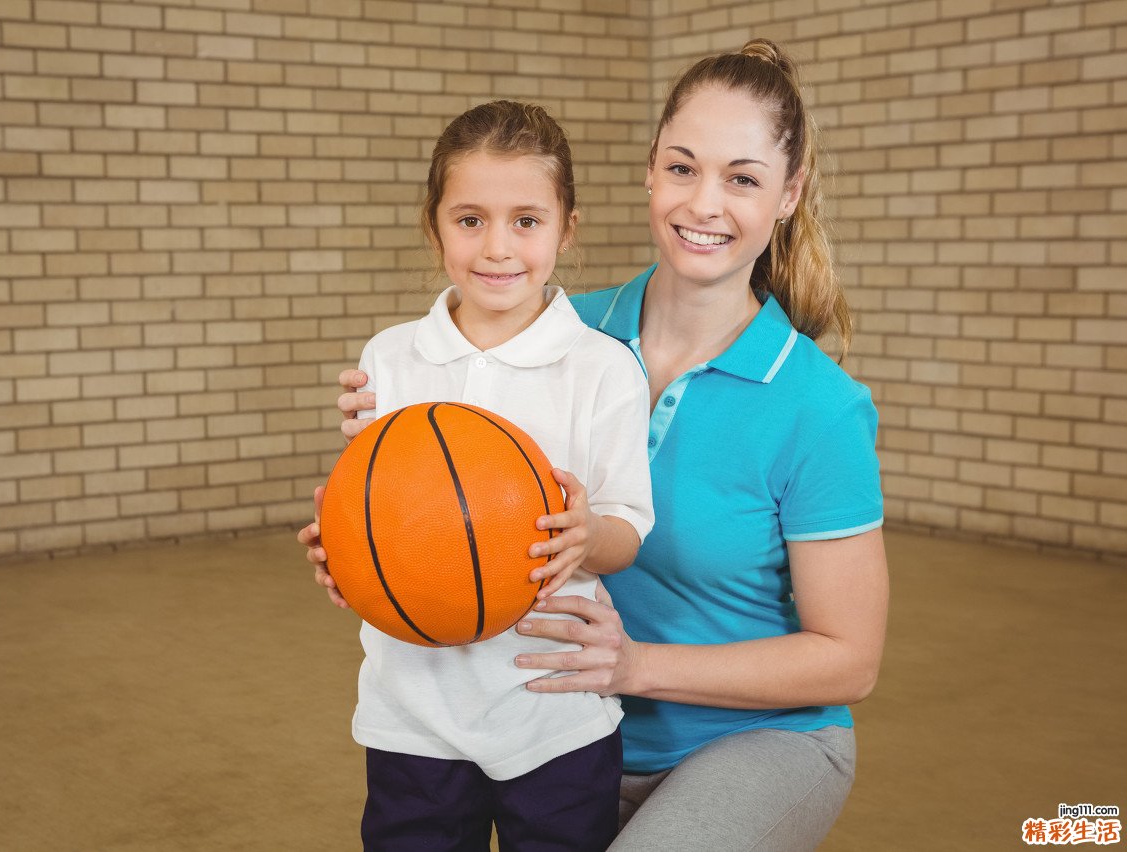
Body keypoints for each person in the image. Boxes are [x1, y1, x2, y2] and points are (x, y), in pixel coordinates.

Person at [304, 39, 889, 850]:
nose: (704, 204)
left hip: (741, 736)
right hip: (556, 719)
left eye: (743, 178)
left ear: (789, 194)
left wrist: (636, 666)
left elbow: (850, 662)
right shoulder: (557, 329)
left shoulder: (819, 406)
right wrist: (373, 498)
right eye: (683, 168)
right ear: (650, 172)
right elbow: (432, 477)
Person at [302, 99, 655, 851]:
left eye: (526, 220)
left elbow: (626, 534)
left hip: (554, 708)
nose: (498, 247)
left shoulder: (603, 369)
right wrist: (344, 550)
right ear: (434, 226)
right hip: (413, 712)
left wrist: (586, 535)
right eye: (470, 220)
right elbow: (376, 515)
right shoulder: (388, 359)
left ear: (567, 227)